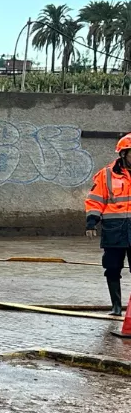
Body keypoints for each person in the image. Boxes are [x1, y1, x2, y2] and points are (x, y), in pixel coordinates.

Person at [86, 134, 131, 316]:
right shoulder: (106, 174)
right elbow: (95, 199)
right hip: (114, 229)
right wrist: (91, 222)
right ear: (123, 154)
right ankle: (116, 306)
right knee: (112, 267)